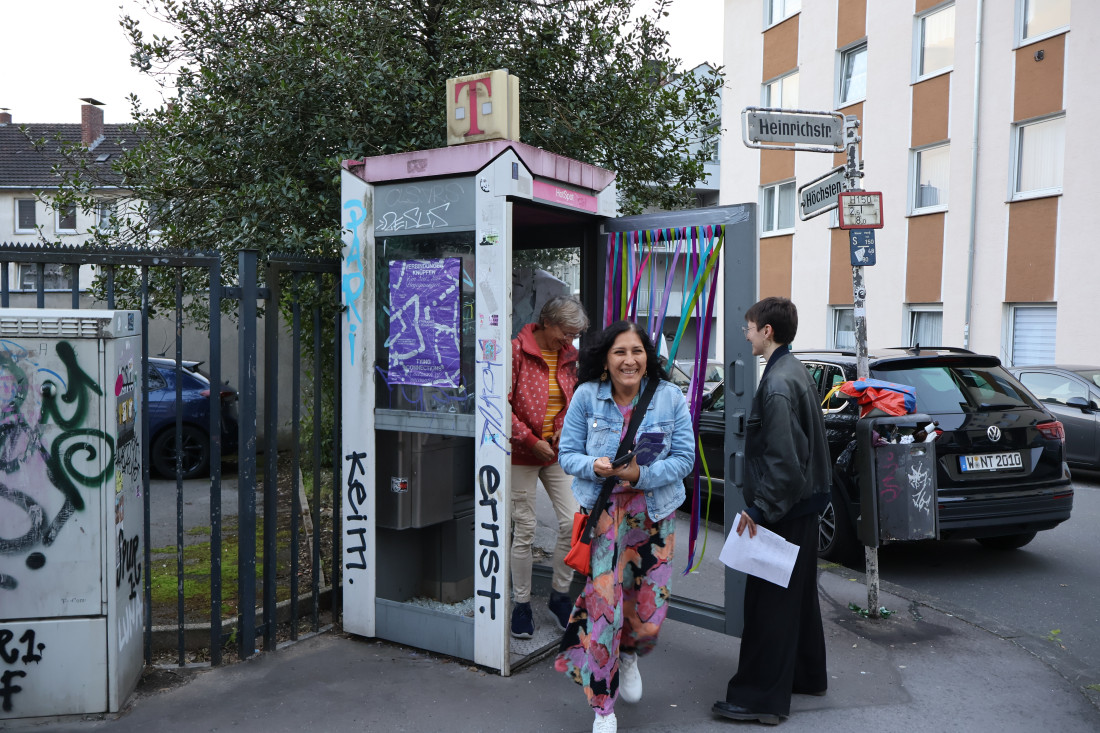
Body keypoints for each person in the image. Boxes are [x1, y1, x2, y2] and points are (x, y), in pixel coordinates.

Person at [555, 320, 695, 733]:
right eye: (620, 352)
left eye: (636, 351)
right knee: (605, 611)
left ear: (647, 356)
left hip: (653, 515)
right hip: (604, 519)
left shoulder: (670, 398)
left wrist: (639, 476)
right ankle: (603, 706)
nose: (629, 360)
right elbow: (567, 455)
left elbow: (684, 459)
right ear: (605, 359)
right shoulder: (586, 397)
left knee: (648, 612)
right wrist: (594, 466)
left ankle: (629, 652)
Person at [712, 297, 830, 726]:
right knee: (797, 597)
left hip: (786, 506)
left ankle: (759, 698)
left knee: (769, 605)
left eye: (749, 327)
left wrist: (760, 511)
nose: (746, 334)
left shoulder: (778, 383)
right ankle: (807, 675)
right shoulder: (792, 369)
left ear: (767, 332)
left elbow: (784, 459)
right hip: (805, 503)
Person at [508, 295, 589, 639]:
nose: (569, 341)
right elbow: (498, 405)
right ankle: (522, 604)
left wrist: (562, 433)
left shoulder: (569, 356)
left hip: (557, 453)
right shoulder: (515, 351)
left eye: (574, 335)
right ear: (547, 322)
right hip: (521, 454)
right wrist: (530, 440)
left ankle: (559, 596)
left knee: (573, 523)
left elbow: (574, 400)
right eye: (565, 333)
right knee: (524, 529)